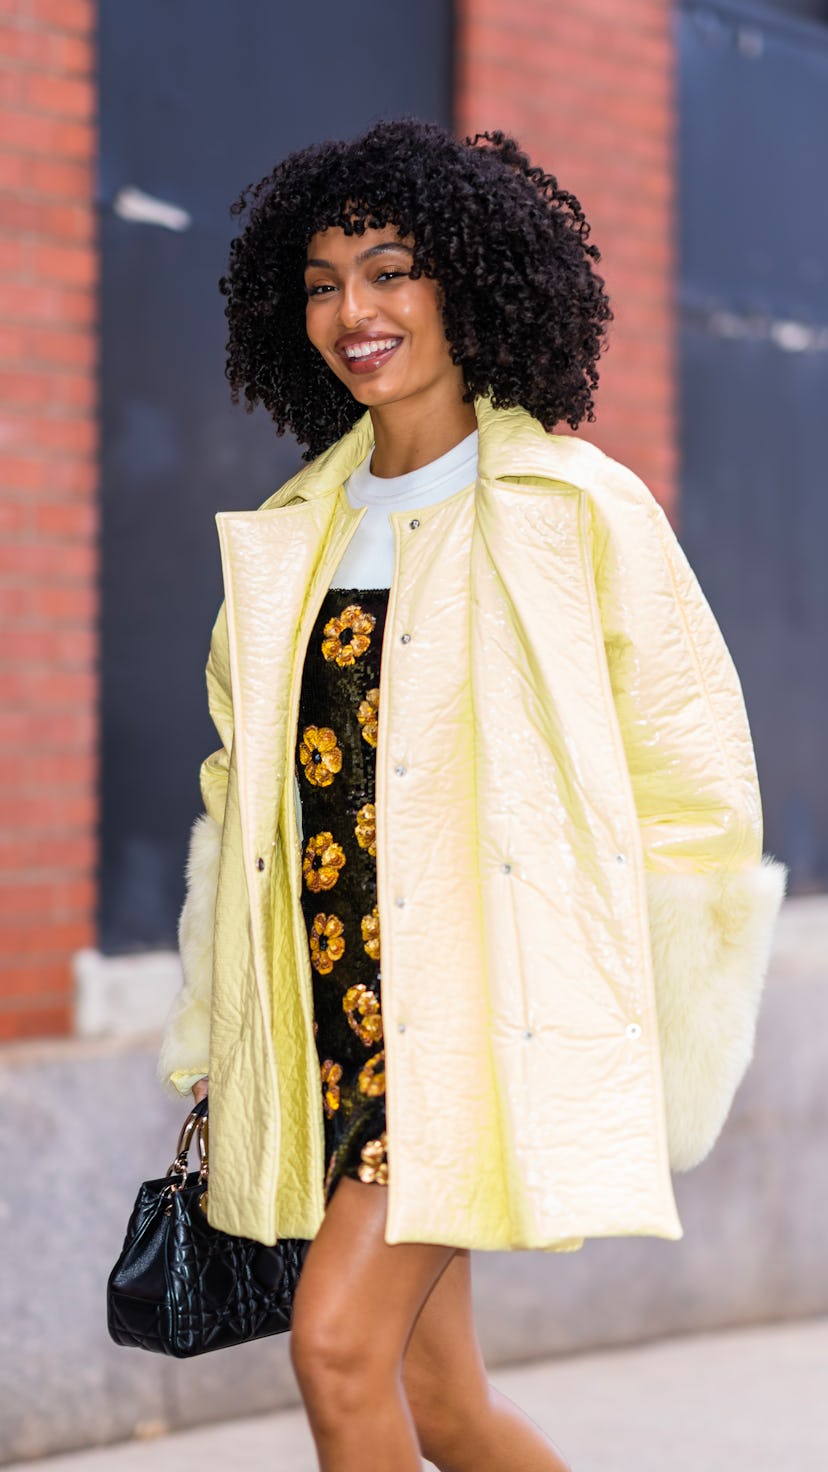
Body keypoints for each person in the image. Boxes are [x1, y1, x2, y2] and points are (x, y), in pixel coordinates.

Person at [156, 118, 787, 1471]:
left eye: (391, 269)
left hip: (477, 1030)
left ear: (474, 284)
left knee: (334, 1347)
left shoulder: (577, 510)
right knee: (442, 1408)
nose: (355, 310)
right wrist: (222, 1026)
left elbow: (695, 785)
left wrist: (637, 1029)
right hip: (327, 1026)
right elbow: (241, 807)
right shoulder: (290, 536)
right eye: (323, 281)